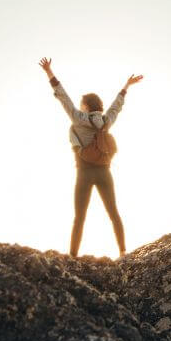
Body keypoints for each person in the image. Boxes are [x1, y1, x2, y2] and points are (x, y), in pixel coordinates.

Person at [39, 57, 142, 258]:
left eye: (81, 104)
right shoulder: (105, 121)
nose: (79, 106)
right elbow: (116, 107)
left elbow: (63, 96)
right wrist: (126, 86)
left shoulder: (78, 119)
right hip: (105, 172)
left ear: (85, 106)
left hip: (84, 173)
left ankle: (73, 257)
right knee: (113, 213)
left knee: (79, 217)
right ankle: (122, 252)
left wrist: (49, 72)